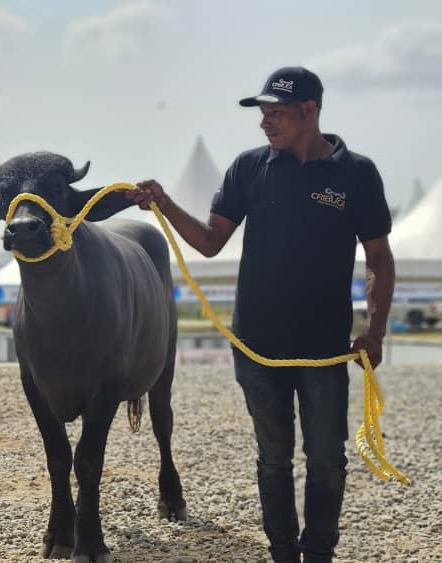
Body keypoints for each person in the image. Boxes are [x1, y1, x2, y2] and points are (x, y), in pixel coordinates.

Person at [127, 67, 394, 563]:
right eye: (262, 113)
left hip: (325, 347)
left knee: (326, 460)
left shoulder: (356, 173)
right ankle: (282, 555)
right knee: (273, 458)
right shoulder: (249, 168)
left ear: (309, 111)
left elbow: (378, 258)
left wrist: (373, 332)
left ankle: (317, 554)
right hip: (256, 345)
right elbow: (209, 242)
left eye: (275, 113)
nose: (264, 123)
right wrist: (164, 203)